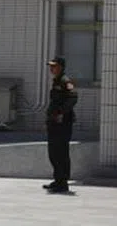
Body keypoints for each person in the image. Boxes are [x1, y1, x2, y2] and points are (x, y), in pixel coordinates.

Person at [43, 56, 78, 194]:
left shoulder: (65, 81)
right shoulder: (56, 81)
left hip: (62, 123)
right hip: (54, 122)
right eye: (51, 66)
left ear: (61, 67)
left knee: (61, 152)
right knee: (53, 152)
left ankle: (62, 182)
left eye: (54, 66)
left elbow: (73, 98)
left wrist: (60, 113)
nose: (52, 68)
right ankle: (58, 179)